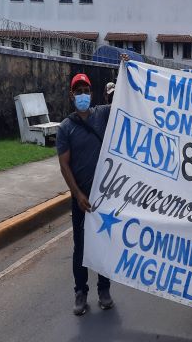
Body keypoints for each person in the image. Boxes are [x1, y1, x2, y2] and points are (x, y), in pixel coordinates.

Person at [56, 73, 114, 316]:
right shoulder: (65, 128)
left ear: (91, 93)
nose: (82, 95)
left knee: (103, 243)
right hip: (81, 198)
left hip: (104, 196)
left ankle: (104, 289)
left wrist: (127, 67)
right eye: (78, 91)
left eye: (86, 90)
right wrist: (77, 194)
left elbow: (128, 100)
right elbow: (64, 165)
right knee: (80, 247)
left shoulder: (102, 114)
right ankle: (81, 292)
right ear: (72, 95)